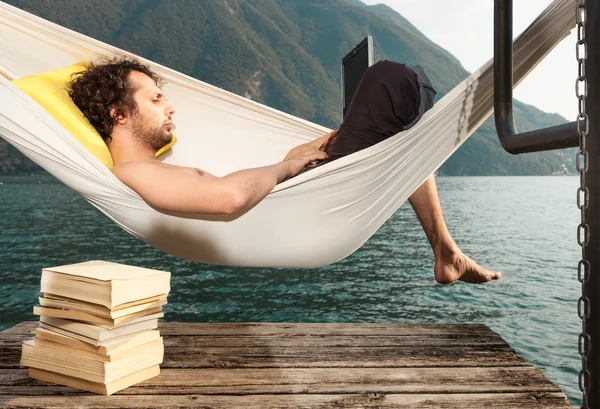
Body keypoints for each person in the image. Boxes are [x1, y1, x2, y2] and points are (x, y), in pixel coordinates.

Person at [68, 56, 501, 284]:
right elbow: (230, 199)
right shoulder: (133, 174)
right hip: (307, 211)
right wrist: (288, 167)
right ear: (118, 114)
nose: (170, 106)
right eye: (155, 99)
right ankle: (446, 253)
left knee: (400, 134)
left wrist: (299, 155)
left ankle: (445, 252)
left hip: (306, 195)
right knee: (390, 81)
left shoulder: (156, 168)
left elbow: (243, 185)